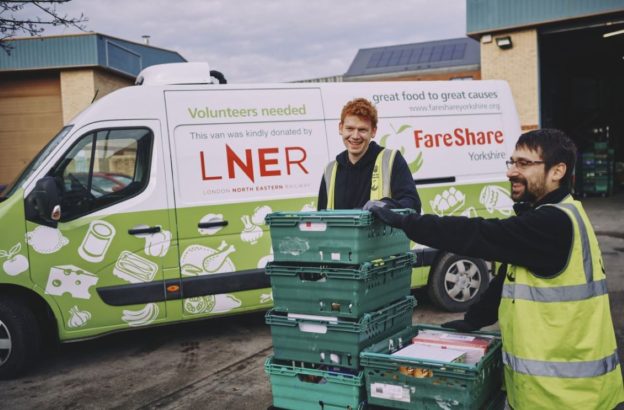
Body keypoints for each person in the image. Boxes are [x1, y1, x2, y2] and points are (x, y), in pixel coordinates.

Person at [370, 129, 624, 409]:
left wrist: (406, 222)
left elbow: (477, 234)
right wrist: (473, 320)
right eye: (512, 162)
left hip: (569, 397)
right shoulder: (560, 213)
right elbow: (509, 278)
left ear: (557, 171)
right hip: (549, 392)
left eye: (524, 164)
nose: (511, 173)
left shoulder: (553, 223)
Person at [317, 97, 421, 212]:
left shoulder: (391, 160)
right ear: (341, 128)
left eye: (362, 130)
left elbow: (413, 204)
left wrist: (385, 205)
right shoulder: (330, 170)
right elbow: (321, 218)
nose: (355, 136)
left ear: (373, 131)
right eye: (350, 128)